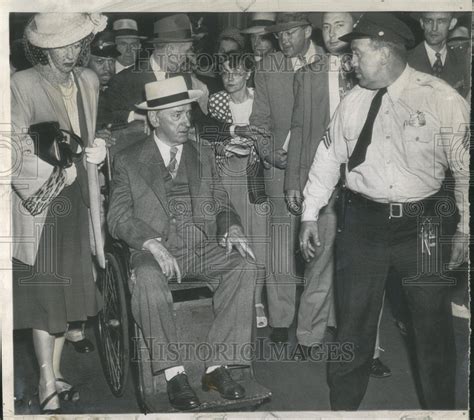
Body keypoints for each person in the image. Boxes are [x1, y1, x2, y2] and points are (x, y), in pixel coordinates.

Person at [299, 12, 468, 410]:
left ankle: (442, 410)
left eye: (356, 53)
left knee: (432, 326)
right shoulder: (353, 103)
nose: (349, 62)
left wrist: (465, 228)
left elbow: (465, 168)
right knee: (353, 325)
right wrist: (310, 213)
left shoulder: (441, 99)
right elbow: (327, 158)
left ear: (384, 50)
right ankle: (343, 408)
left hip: (425, 224)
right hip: (362, 224)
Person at [107, 76, 258, 411]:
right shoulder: (128, 160)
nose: (186, 122)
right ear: (154, 119)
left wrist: (231, 227)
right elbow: (117, 217)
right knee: (146, 279)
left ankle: (218, 366)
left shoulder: (201, 154)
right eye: (176, 116)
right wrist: (150, 243)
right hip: (153, 251)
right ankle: (174, 372)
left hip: (198, 247)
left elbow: (221, 204)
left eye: (187, 114)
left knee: (244, 265)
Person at [11, 12, 108, 414]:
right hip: (43, 207)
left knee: (68, 295)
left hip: (79, 203)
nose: (70, 53)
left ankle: (56, 370)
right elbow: (10, 151)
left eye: (76, 44)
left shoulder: (88, 80)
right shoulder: (22, 85)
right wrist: (56, 174)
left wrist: (99, 149)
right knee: (46, 297)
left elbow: (89, 133)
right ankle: (47, 380)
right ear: (43, 48)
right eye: (60, 46)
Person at [286, 11, 390, 377]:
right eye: (325, 27)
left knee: (368, 272)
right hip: (324, 186)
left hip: (368, 190)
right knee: (319, 263)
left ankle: (368, 348)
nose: (331, 33)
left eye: (339, 26)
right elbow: (299, 131)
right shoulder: (308, 77)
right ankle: (307, 337)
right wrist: (293, 184)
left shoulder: (377, 73)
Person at [249, 12, 325, 344]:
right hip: (279, 169)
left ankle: (315, 323)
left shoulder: (330, 63)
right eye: (279, 34)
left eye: (290, 32)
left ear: (308, 31)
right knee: (280, 245)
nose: (283, 40)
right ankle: (280, 318)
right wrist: (268, 152)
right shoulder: (268, 66)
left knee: (319, 248)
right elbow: (259, 119)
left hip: (322, 171)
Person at [208, 52, 269, 328]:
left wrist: (253, 145)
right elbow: (211, 135)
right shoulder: (216, 100)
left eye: (235, 72)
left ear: (248, 74)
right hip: (227, 173)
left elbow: (269, 134)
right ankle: (235, 298)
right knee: (233, 233)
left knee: (259, 238)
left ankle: (256, 300)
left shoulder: (260, 97)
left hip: (256, 175)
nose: (229, 78)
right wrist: (226, 146)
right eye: (224, 73)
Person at [408, 12, 470, 98]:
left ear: (452, 24)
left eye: (441, 21)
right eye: (429, 21)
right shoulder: (405, 60)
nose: (434, 28)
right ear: (422, 23)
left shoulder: (463, 60)